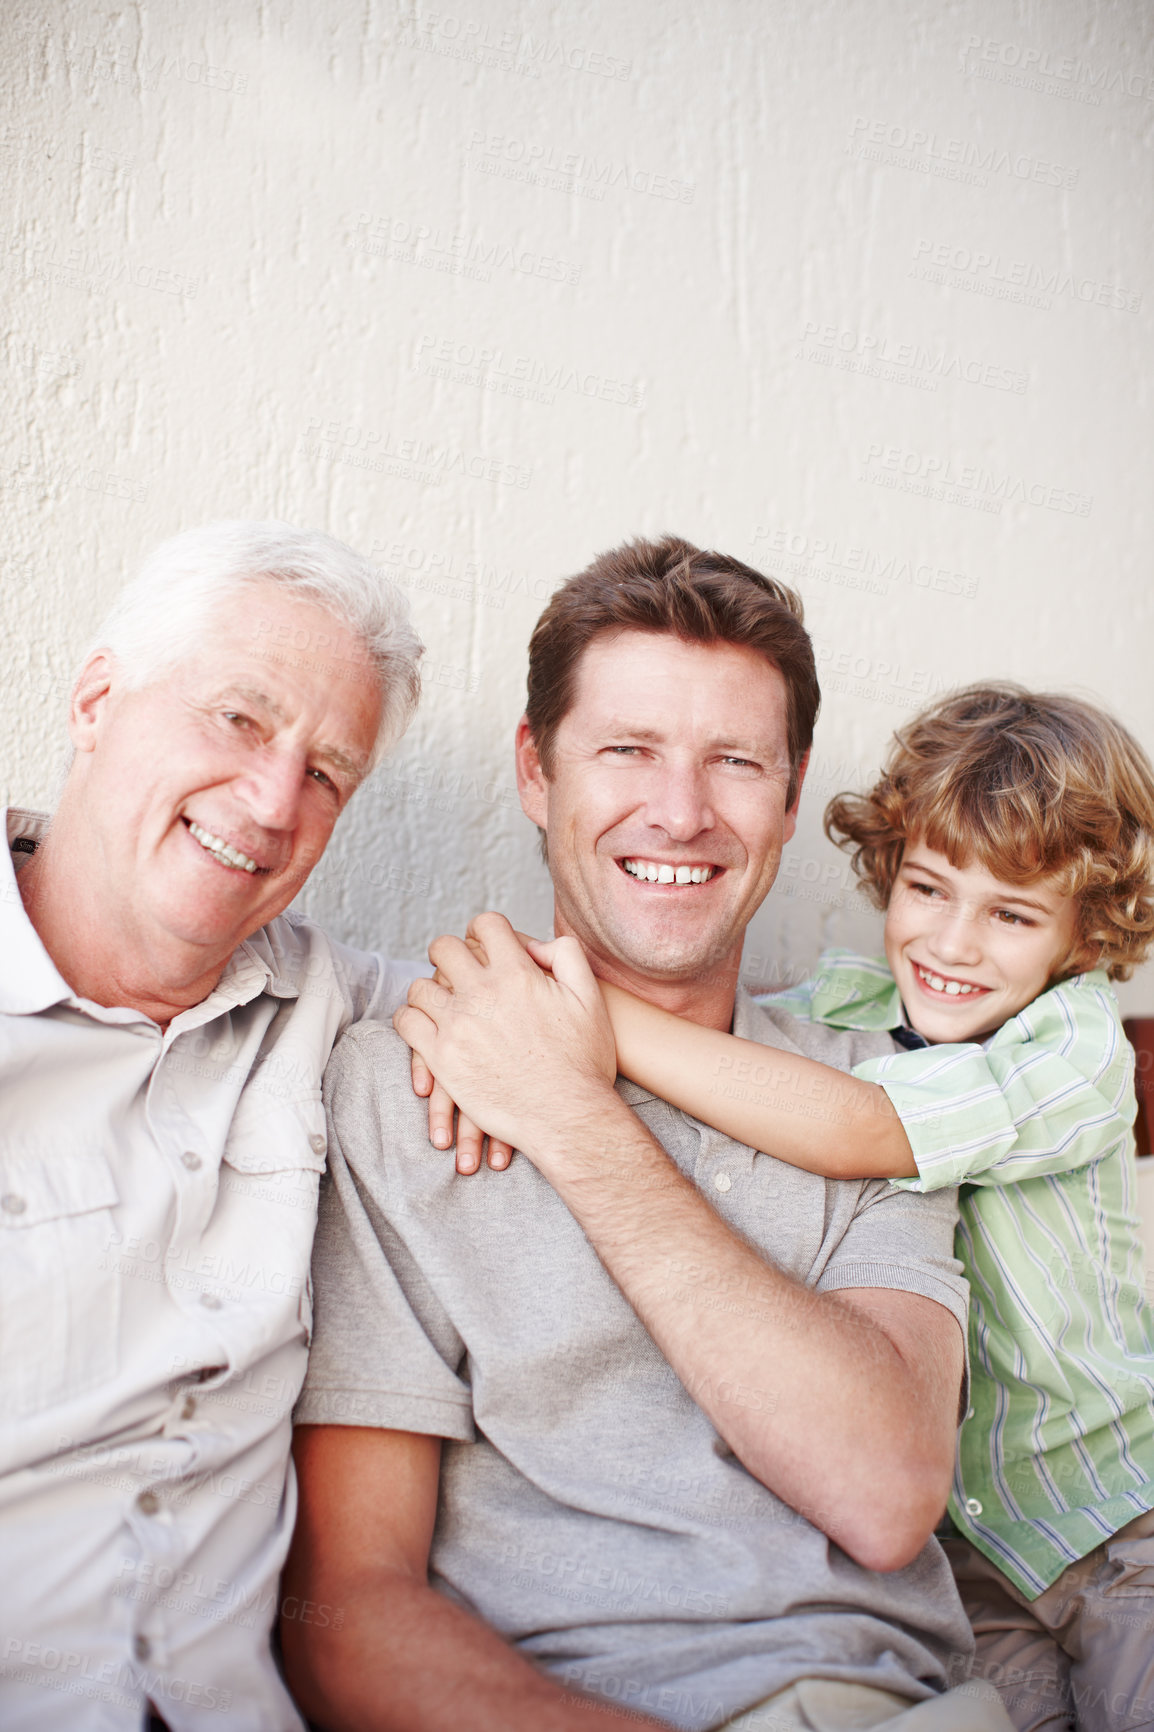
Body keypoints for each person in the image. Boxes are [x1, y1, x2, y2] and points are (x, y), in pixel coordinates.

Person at [285, 536, 1014, 1731]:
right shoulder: (395, 1091)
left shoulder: (875, 1100)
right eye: (626, 750)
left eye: (733, 761)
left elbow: (883, 1493)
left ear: (789, 792)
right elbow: (348, 1618)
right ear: (535, 771)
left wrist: (576, 1115)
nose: (678, 814)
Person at [588, 685, 1154, 1732]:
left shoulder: (1076, 1050)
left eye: (1012, 914)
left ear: (1082, 937)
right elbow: (732, 1069)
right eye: (928, 888)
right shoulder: (840, 1013)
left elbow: (858, 1128)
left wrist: (589, 1018)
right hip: (963, 1557)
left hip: (1119, 1518)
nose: (952, 941)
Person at [0, 521, 423, 1731]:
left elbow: (572, 1011)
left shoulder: (323, 1004)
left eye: (328, 770)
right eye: (237, 720)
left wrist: (922, 1096)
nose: (274, 799)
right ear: (96, 700)